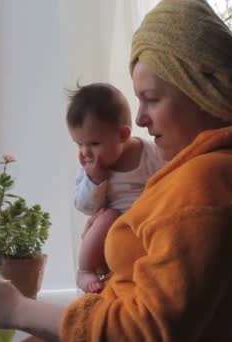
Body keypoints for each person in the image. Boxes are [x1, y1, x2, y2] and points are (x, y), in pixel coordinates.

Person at [0, 0, 232, 341]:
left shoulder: (208, 185)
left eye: (152, 98)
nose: (141, 118)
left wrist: (17, 309)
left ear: (201, 92)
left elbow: (142, 329)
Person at [67, 83, 165, 293]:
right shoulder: (90, 171)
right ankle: (85, 270)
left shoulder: (150, 154)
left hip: (144, 223)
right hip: (111, 229)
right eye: (79, 144)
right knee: (106, 216)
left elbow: (168, 181)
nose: (85, 152)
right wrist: (95, 181)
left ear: (122, 135)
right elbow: (85, 207)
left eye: (93, 144)